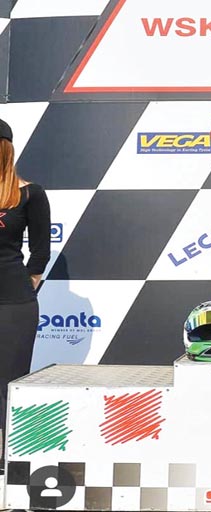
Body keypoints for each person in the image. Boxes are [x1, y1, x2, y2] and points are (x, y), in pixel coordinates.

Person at [0, 118, 51, 470]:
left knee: (8, 382)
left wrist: (25, 285)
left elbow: (40, 252)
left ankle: (9, 459)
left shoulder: (31, 193)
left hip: (13, 302)